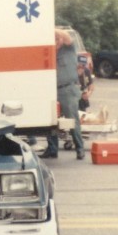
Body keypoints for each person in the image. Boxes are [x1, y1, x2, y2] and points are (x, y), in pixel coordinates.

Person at [40, 29, 85, 160]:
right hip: (52, 90)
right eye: (53, 40)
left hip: (67, 89)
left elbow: (66, 36)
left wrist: (50, 26)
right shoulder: (49, 52)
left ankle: (80, 148)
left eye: (57, 39)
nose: (56, 42)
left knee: (72, 120)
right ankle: (52, 149)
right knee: (51, 120)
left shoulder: (69, 49)